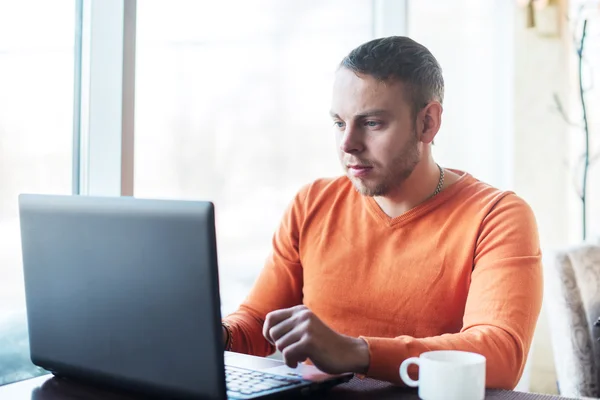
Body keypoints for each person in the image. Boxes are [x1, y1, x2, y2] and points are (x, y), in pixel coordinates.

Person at [221, 36, 543, 389]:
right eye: (339, 123)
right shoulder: (312, 203)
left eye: (371, 123)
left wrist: (358, 352)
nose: (348, 144)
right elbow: (257, 324)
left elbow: (498, 356)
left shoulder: (496, 216)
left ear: (428, 123)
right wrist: (209, 335)